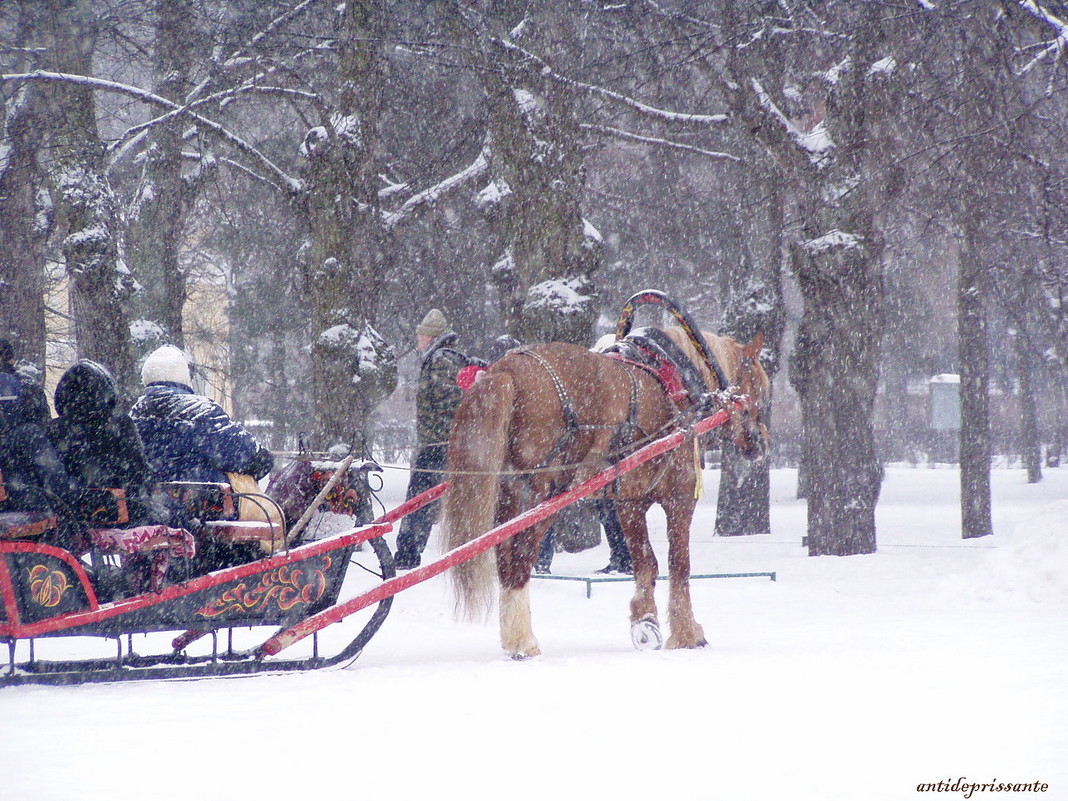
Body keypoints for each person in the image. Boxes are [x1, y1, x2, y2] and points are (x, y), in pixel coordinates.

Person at [394, 309, 484, 569]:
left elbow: (450, 403)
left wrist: (442, 438)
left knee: (420, 500)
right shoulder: (440, 358)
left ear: (431, 336)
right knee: (431, 500)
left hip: (438, 445)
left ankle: (408, 555)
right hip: (439, 443)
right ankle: (412, 553)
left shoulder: (441, 359)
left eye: (421, 335)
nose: (418, 339)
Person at [48, 359, 175, 528]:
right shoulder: (119, 423)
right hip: (121, 509)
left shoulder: (55, 428)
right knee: (176, 512)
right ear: (106, 390)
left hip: (75, 512)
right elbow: (139, 471)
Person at [129, 345, 274, 485]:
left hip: (143, 508)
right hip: (207, 507)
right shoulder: (204, 414)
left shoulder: (131, 419)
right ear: (185, 378)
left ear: (145, 378)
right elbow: (258, 460)